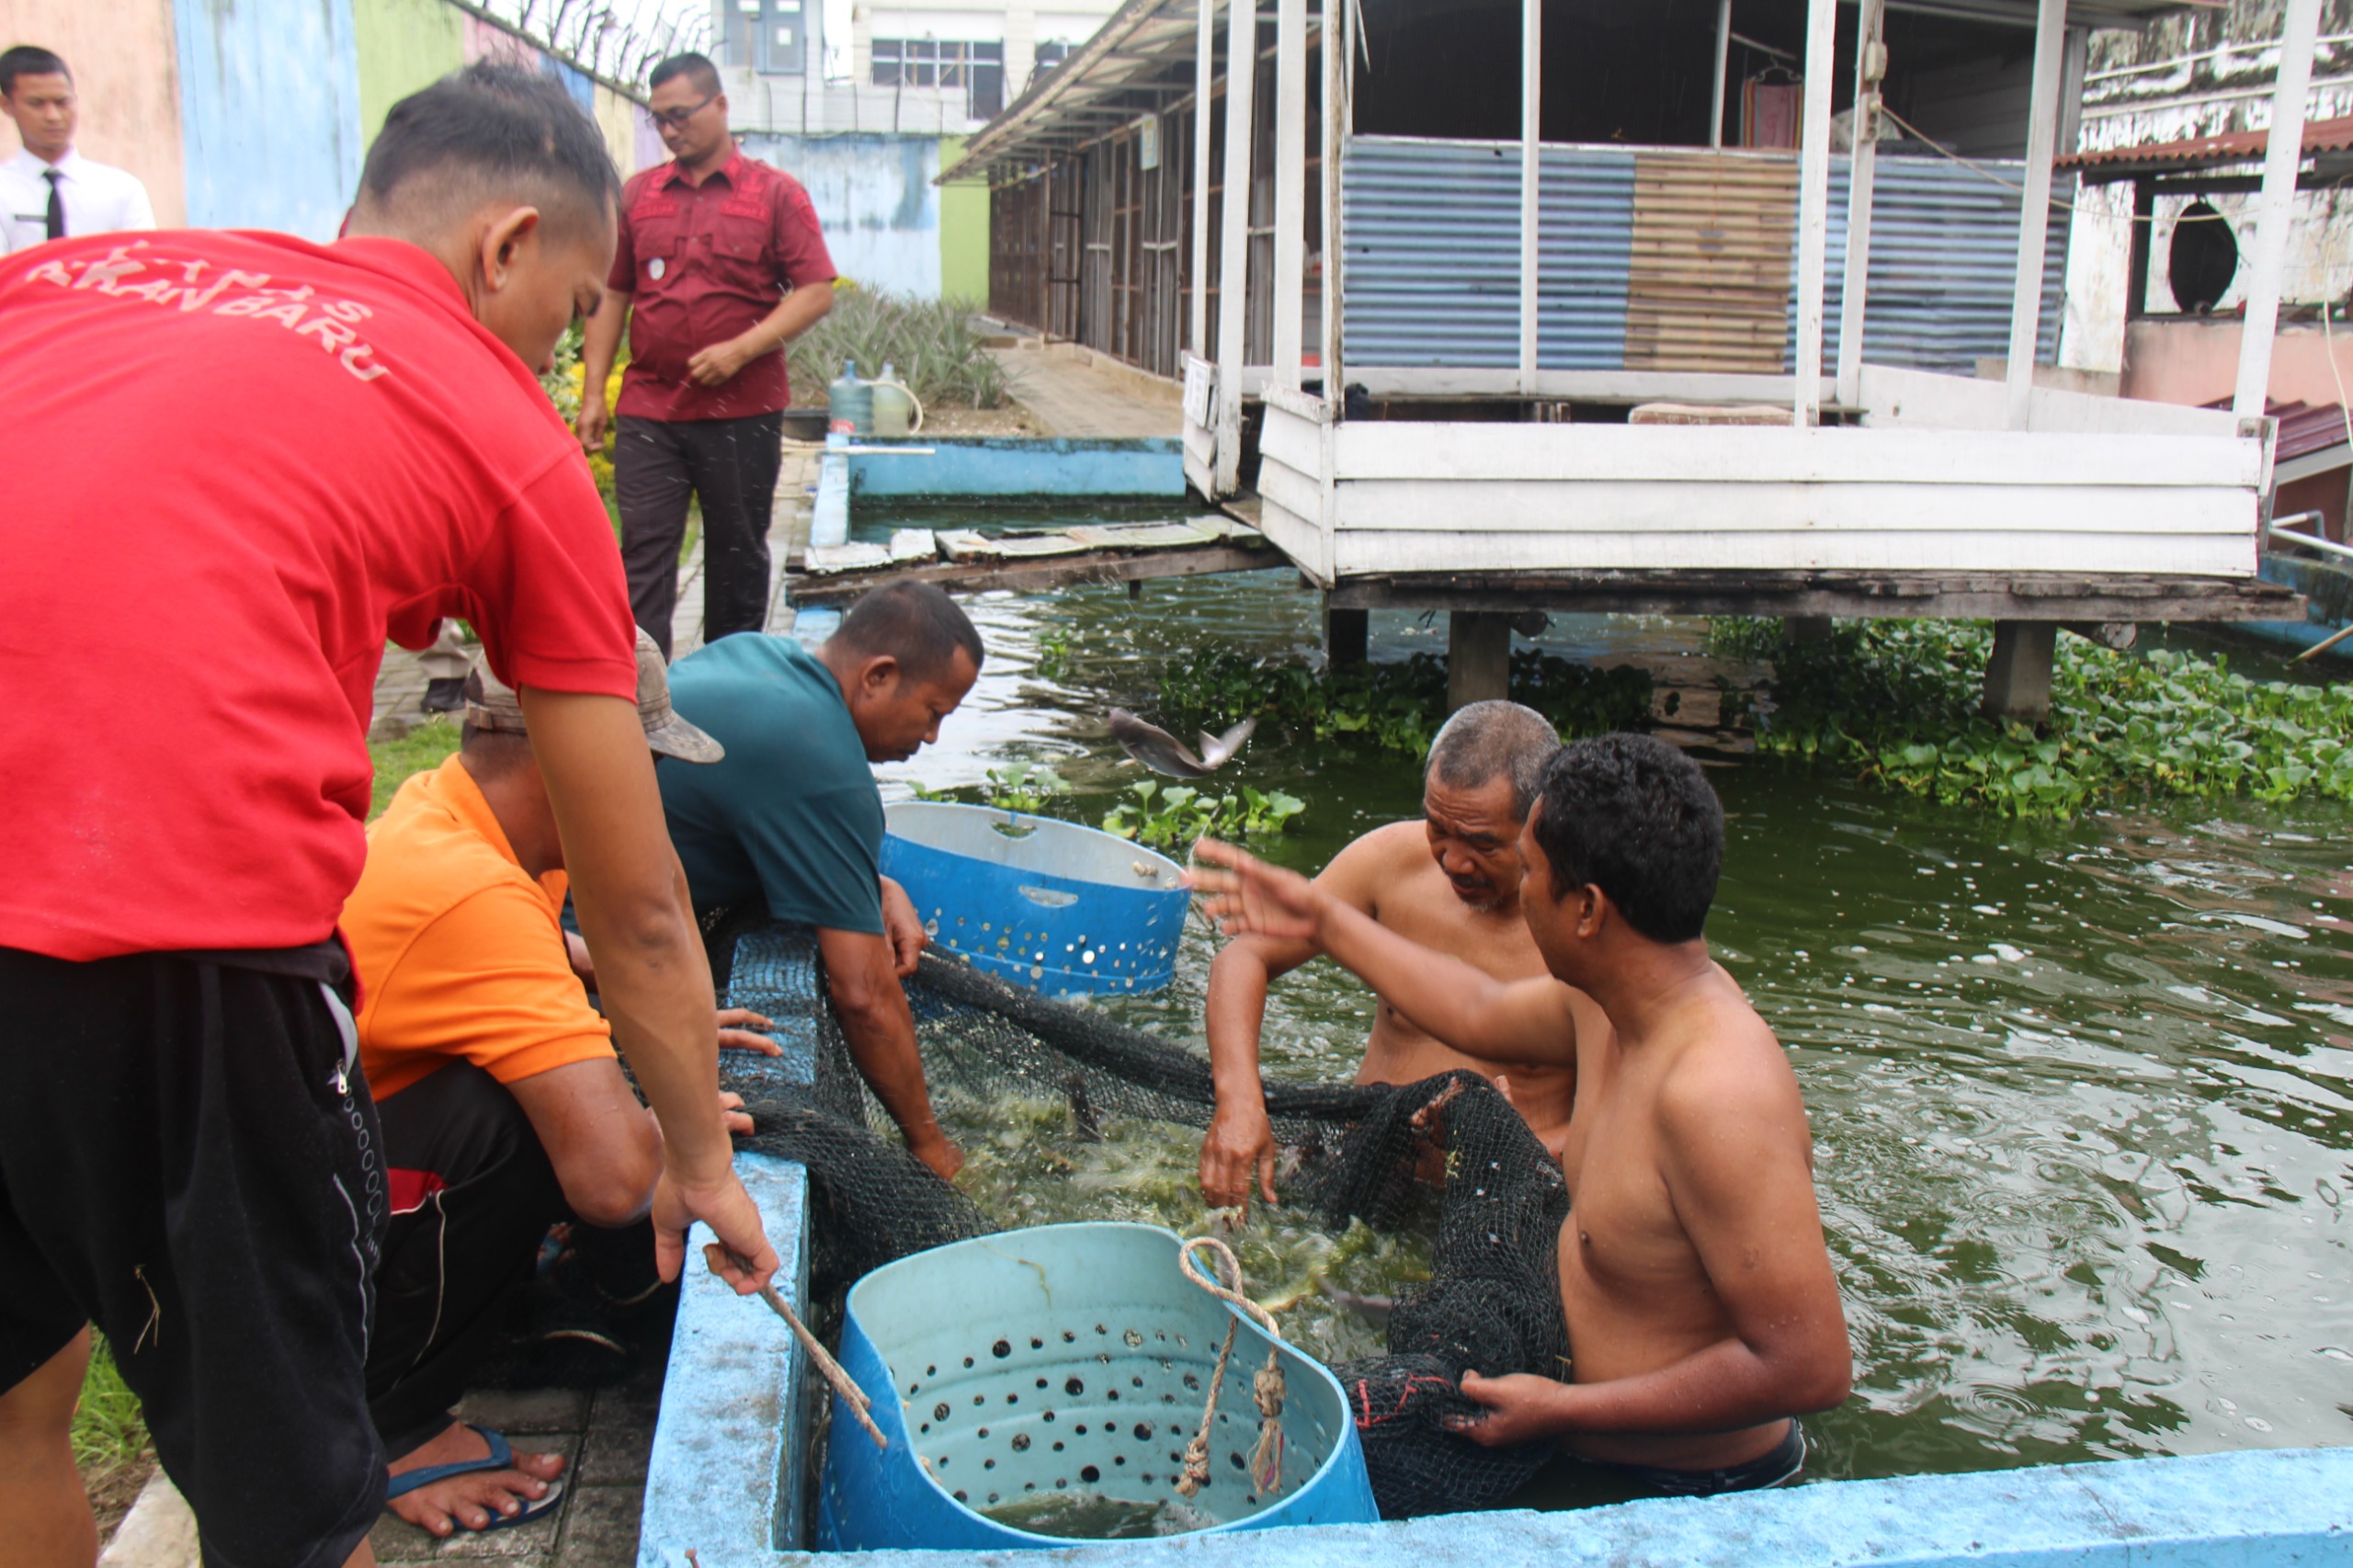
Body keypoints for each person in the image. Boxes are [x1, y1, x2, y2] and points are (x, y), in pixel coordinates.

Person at [0, 63, 775, 1568]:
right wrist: (701, 1163)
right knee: (297, 1502)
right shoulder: (507, 433)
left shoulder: (77, 276)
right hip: (179, 948)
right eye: (572, 314)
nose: (567, 361)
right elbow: (638, 903)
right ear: (508, 244)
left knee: (17, 1410)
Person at [1190, 733, 1852, 1495]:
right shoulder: (1610, 1000)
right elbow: (1476, 1006)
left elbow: (1810, 1366)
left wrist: (1568, 1409)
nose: (1518, 891)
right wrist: (1324, 919)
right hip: (1574, 1419)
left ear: (1588, 910)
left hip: (1688, 1489)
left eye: (1530, 869)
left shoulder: (1717, 1091)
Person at [345, 633, 777, 1539]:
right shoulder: (471, 894)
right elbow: (617, 1178)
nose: (650, 794)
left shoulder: (450, 813)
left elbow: (575, 944)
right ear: (572, 759)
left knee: (570, 1079)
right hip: (293, 1233)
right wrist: (674, 1125)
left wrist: (657, 1018)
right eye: (644, 766)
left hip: (328, 1151)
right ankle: (387, 1420)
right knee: (535, 1123)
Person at [1199, 700, 1602, 1212]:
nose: (1453, 860)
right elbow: (1243, 958)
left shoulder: (1584, 930)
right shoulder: (1389, 861)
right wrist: (1238, 1100)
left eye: (1482, 842)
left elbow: (1629, 1114)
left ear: (1541, 825)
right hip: (1358, 1165)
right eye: (1438, 828)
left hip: (1504, 1203)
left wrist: (1502, 1146)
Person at [658, 584, 983, 1182]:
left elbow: (758, 803)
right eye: (934, 712)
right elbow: (864, 994)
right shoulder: (823, 765)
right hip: (574, 951)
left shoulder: (760, 656)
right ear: (879, 677)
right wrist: (929, 1145)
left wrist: (873, 883)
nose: (933, 737)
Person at [574, 51, 836, 658]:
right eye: (658, 119)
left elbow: (816, 291)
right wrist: (593, 394)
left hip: (741, 413)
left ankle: (731, 687)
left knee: (738, 555)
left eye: (681, 115)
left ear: (720, 106)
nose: (669, 130)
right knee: (642, 554)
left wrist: (740, 351)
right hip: (651, 409)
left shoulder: (774, 194)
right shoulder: (638, 196)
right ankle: (642, 698)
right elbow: (614, 293)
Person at [0, 45, 153, 254]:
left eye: (62, 102)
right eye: (36, 104)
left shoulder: (122, 190)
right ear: (7, 105)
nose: (53, 116)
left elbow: (145, 268)